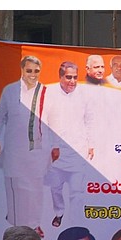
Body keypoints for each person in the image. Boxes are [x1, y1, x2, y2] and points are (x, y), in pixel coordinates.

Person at [0, 55, 49, 238]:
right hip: (15, 149)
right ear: (22, 70)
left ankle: (35, 224)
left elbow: (54, 121)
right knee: (15, 186)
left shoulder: (46, 93)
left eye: (36, 71)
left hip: (38, 150)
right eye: (29, 70)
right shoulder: (11, 91)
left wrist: (54, 146)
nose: (33, 74)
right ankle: (17, 224)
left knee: (36, 187)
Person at [43, 61, 95, 228]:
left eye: (75, 77)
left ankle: (75, 223)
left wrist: (91, 144)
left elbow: (90, 120)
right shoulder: (49, 93)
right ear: (60, 77)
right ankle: (59, 213)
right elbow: (44, 120)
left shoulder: (84, 95)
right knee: (55, 189)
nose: (72, 81)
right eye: (68, 77)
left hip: (77, 151)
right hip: (55, 152)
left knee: (77, 192)